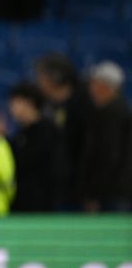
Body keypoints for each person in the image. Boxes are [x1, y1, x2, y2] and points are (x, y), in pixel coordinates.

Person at [35, 53, 91, 210]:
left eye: (43, 76)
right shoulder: (45, 106)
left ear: (56, 78)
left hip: (80, 188)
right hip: (53, 188)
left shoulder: (83, 106)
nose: (39, 81)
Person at [79, 61, 131, 212]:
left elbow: (107, 156)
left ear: (107, 86)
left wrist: (94, 194)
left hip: (111, 193)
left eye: (95, 83)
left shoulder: (112, 113)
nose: (91, 89)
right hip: (113, 191)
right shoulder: (110, 111)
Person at [7, 82, 59, 212]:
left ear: (29, 102)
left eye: (15, 102)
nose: (11, 107)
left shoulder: (48, 131)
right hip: (20, 203)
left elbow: (26, 161)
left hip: (41, 205)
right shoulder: (21, 133)